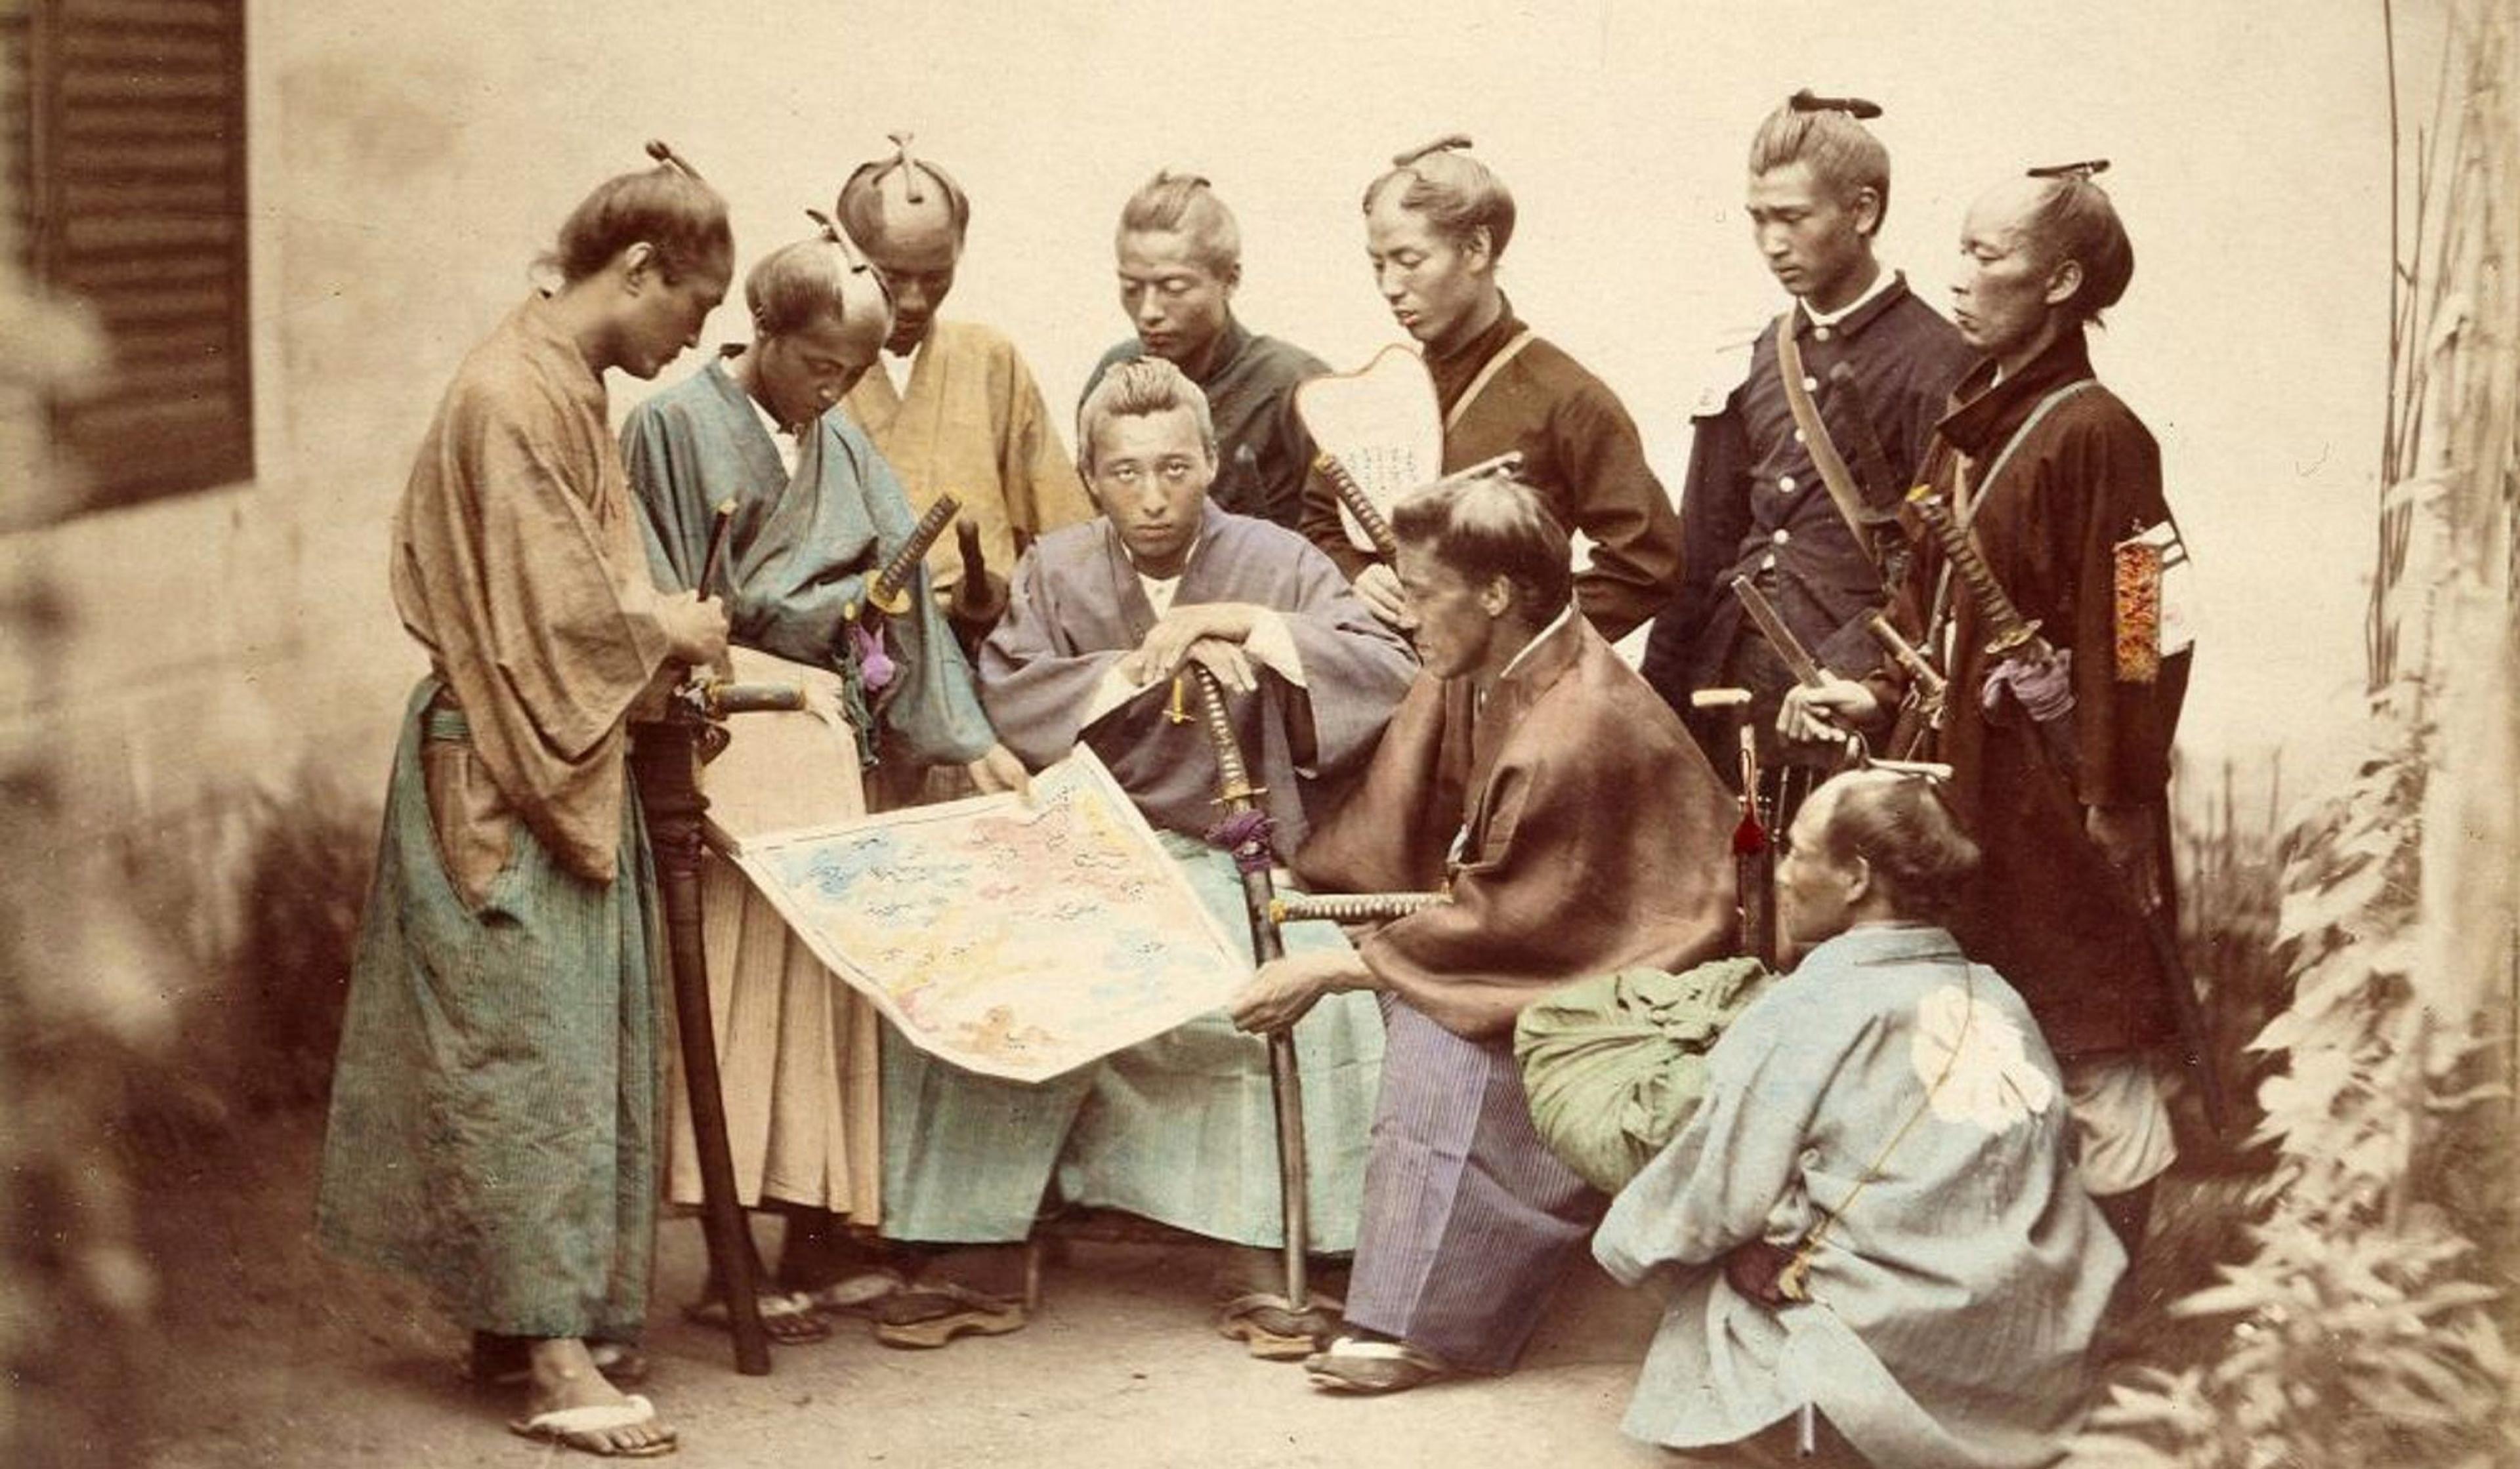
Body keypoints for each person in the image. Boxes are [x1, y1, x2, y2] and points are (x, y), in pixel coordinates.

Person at [317, 148, 735, 1459]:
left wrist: (662, 635)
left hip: (546, 743)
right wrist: (672, 624)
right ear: (638, 269)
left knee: (572, 1034)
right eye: (695, 309)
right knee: (519, 1053)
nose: (694, 339)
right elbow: (560, 610)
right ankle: (550, 1355)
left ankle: (533, 1323)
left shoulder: (559, 378)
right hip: (499, 758)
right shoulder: (511, 393)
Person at [869, 358, 1418, 1351]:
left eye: (1175, 467)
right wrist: (1130, 668)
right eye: (1125, 472)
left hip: (1231, 844)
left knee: (1255, 987)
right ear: (1090, 474)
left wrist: (1250, 627)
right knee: (981, 962)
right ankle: (976, 1241)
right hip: (1090, 842)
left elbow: (1386, 666)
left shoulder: (1282, 557)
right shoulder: (1057, 567)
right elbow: (1011, 693)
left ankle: (1258, 1242)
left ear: (1212, 462)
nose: (1153, 496)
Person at [1230, 472, 1735, 1394]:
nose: (1406, 615)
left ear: (1496, 594)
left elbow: (1515, 929)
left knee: (1442, 1030)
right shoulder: (1497, 660)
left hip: (1632, 970)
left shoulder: (1574, 723)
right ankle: (1385, 1278)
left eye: (1421, 594)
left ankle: (1424, 1319)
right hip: (1539, 932)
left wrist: (1342, 966)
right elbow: (1423, 825)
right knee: (1397, 989)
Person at [620, 225, 1030, 1346]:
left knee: (820, 991)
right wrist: (758, 652)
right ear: (768, 333)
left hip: (824, 739)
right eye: (818, 367)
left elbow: (904, 590)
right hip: (725, 727)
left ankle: (812, 1225)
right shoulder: (669, 426)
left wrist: (963, 731)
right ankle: (723, 1254)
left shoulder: (839, 440)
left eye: (852, 373)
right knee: (730, 988)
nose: (836, 391)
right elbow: (657, 593)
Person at [1783, 165, 2189, 1254]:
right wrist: (1868, 689)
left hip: (2066, 795)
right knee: (1989, 1035)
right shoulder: (1972, 425)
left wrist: (2121, 789)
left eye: (1988, 256)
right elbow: (1922, 594)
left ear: (2060, 280)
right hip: (1974, 785)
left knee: (2092, 1028)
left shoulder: (2099, 432)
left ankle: (2117, 1313)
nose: (1961, 277)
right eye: (1960, 250)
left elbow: (2145, 624)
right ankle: (2019, 1289)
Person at [1594, 769, 2125, 1468]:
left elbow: (1715, 1192)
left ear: (1856, 878)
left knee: (1713, 1295)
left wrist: (1630, 1243)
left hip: (1898, 1340)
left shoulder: (1807, 1006)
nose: (1782, 873)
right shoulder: (1997, 993)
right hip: (2043, 1342)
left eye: (1797, 852)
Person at [1639, 91, 1972, 815]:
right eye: (1760, 218)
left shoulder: (1942, 363)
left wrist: (1864, 680)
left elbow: (1941, 570)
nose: (1771, 242)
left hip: (1849, 695)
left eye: (1793, 218)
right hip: (1728, 688)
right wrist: (1656, 703)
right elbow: (1701, 548)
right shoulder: (1756, 355)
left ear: (1863, 212)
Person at [1295, 135, 1682, 642]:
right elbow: (1320, 522)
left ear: (1477, 248)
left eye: (1409, 260)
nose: (1390, 285)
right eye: (1377, 264)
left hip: (1507, 699)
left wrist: (1524, 642)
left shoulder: (1567, 396)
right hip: (1389, 678)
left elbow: (1646, 563)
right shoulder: (1380, 392)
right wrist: (1355, 572)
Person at [836, 134, 1095, 663]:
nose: (913, 300)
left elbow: (1071, 539)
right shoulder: (813, 372)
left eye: (936, 277)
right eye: (892, 276)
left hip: (991, 647)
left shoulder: (990, 359)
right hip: (856, 650)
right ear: (847, 255)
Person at [1080, 170, 1330, 529]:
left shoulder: (1297, 385)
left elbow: (1337, 536)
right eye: (1132, 287)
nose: (1149, 311)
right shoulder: (1115, 375)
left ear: (1230, 279)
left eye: (1174, 287)